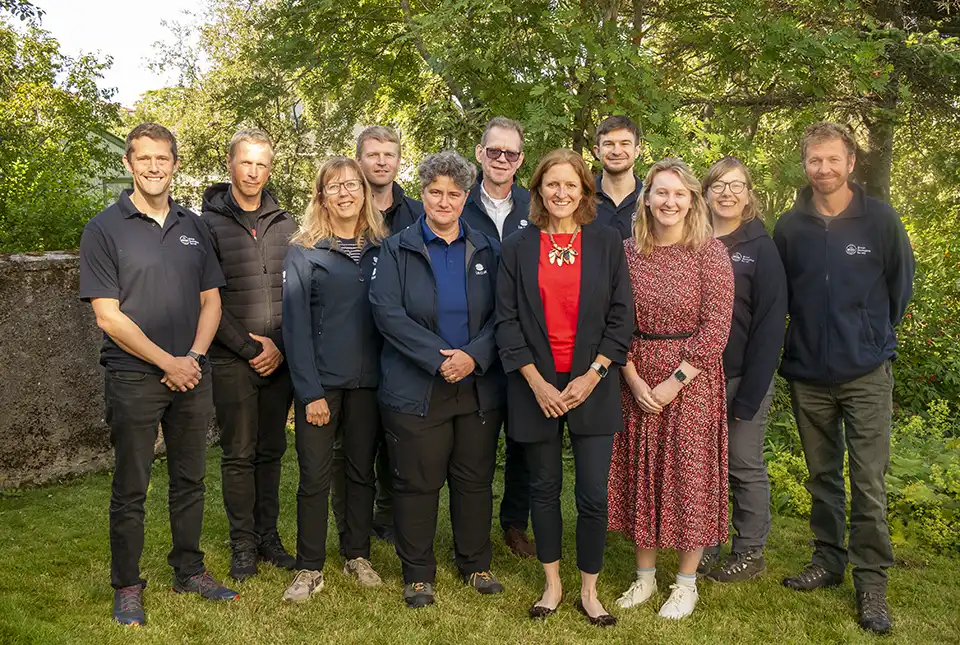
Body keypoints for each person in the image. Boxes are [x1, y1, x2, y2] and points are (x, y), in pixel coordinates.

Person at [79, 123, 237, 627]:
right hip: (133, 377)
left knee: (190, 479)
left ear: (174, 164)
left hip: (193, 372)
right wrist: (166, 362)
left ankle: (188, 570)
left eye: (162, 158)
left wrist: (191, 356)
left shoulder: (194, 226)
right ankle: (127, 584)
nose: (153, 166)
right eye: (143, 158)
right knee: (132, 485)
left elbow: (211, 300)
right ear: (129, 164)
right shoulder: (104, 228)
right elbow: (108, 315)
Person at [774, 122, 914, 635]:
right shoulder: (790, 227)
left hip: (866, 372)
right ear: (805, 164)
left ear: (851, 162)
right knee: (823, 476)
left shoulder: (879, 220)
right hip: (808, 373)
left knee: (868, 481)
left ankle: (871, 580)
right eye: (815, 160)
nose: (824, 169)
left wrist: (872, 337)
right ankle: (828, 561)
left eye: (833, 160)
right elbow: (780, 297)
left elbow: (900, 287)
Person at [495, 149, 633, 627]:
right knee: (544, 488)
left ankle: (590, 591)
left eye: (570, 185)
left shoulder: (607, 242)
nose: (561, 193)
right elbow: (507, 322)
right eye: (552, 184)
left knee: (593, 494)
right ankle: (552, 585)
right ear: (538, 190)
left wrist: (592, 374)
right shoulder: (516, 247)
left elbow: (622, 319)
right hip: (536, 385)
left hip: (592, 382)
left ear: (584, 191)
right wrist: (536, 383)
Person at [369, 151, 505, 609]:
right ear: (422, 193)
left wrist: (473, 357)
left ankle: (474, 562)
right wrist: (439, 358)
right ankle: (419, 573)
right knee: (417, 482)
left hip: (478, 387)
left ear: (466, 197)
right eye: (434, 192)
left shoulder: (488, 247)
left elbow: (505, 314)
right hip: (415, 387)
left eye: (453, 193)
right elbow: (387, 313)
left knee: (473, 478)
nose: (443, 201)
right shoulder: (397, 248)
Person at [608, 158, 734, 620]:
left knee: (688, 478)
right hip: (636, 375)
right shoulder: (625, 252)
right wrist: (635, 377)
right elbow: (615, 321)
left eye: (679, 193)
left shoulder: (709, 253)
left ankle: (685, 583)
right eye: (661, 192)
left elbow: (716, 327)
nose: (670, 201)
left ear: (692, 201)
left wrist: (674, 382)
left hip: (692, 382)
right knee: (643, 475)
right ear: (647, 199)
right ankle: (644, 579)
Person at [280, 157, 389, 602]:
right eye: (334, 187)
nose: (344, 193)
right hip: (321, 386)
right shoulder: (304, 251)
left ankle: (357, 554)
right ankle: (309, 568)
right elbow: (294, 327)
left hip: (370, 385)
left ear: (365, 192)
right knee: (315, 476)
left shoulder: (385, 249)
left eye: (352, 185)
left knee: (361, 473)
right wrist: (309, 393)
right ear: (320, 196)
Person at [201, 129, 296, 581]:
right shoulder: (207, 225)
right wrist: (247, 347)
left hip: (280, 357)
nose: (253, 172)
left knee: (272, 450)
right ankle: (242, 544)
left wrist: (279, 345)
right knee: (239, 453)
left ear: (269, 169)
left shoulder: (287, 223)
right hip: (231, 358)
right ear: (230, 164)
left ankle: (268, 537)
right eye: (246, 162)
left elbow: (295, 292)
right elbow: (205, 299)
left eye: (261, 164)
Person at [698, 156, 787, 581]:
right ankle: (707, 546)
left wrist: (752, 393)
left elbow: (770, 325)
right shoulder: (693, 240)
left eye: (736, 186)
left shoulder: (760, 247)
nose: (727, 193)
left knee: (742, 464)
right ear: (706, 193)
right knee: (704, 463)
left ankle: (750, 551)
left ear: (748, 193)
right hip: (697, 376)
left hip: (741, 377)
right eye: (718, 186)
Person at [460, 115, 535, 558]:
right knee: (479, 445)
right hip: (477, 346)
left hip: (526, 346)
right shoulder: (457, 202)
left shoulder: (536, 207)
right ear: (479, 153)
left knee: (524, 443)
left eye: (511, 153)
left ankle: (515, 523)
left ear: (521, 160)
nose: (502, 159)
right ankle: (475, 525)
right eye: (494, 151)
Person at [348, 124, 426, 546]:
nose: (381, 161)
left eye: (389, 154)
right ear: (359, 159)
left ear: (399, 161)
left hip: (406, 343)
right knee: (360, 441)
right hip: (358, 340)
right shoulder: (346, 210)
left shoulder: (417, 214)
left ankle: (395, 514)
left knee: (402, 437)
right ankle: (357, 528)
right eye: (373, 154)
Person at [593, 115, 644, 240]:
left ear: (637, 151)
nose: (616, 151)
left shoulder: (651, 200)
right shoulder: (580, 199)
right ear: (597, 151)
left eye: (625, 144)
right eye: (609, 144)